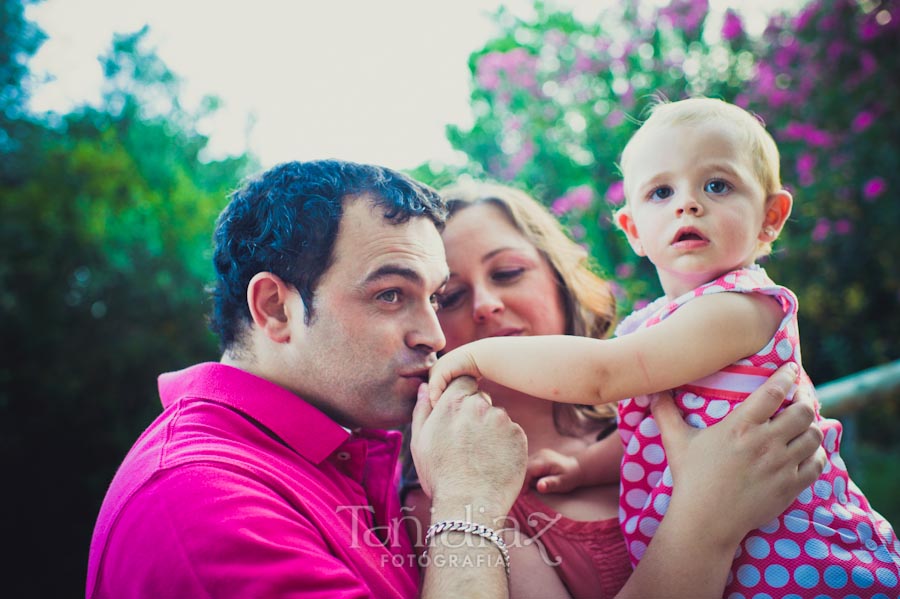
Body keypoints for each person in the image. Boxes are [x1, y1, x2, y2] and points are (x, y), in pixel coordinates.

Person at [427, 99, 900, 596]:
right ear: (633, 230)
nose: (688, 203)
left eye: (717, 185)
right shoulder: (654, 326)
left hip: (811, 562)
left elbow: (603, 375)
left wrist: (472, 359)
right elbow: (646, 425)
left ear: (771, 217)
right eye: (660, 192)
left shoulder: (741, 305)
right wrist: (583, 468)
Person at [86, 160, 529, 599]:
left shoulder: (326, 454)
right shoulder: (202, 504)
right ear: (276, 307)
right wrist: (468, 504)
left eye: (434, 297)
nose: (434, 335)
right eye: (391, 295)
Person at [405, 181, 828, 598]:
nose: (486, 303)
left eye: (508, 272)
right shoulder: (448, 497)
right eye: (452, 296)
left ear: (559, 280)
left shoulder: (661, 405)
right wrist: (707, 515)